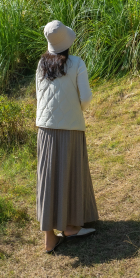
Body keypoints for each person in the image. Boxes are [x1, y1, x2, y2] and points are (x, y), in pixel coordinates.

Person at [36, 20, 99, 254]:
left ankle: (49, 238)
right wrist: (76, 111)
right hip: (70, 127)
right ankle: (72, 226)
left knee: (48, 178)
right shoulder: (77, 63)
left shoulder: (41, 65)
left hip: (44, 130)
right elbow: (86, 97)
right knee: (72, 172)